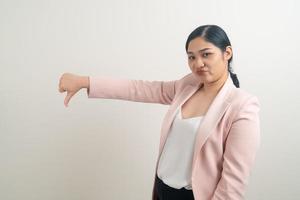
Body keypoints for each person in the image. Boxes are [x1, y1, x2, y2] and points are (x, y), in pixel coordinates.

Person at [58, 24, 260, 200]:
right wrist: (85, 81)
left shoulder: (242, 106)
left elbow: (233, 182)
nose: (198, 63)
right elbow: (140, 89)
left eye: (206, 54)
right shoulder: (187, 85)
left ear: (227, 53)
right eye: (192, 57)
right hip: (162, 190)